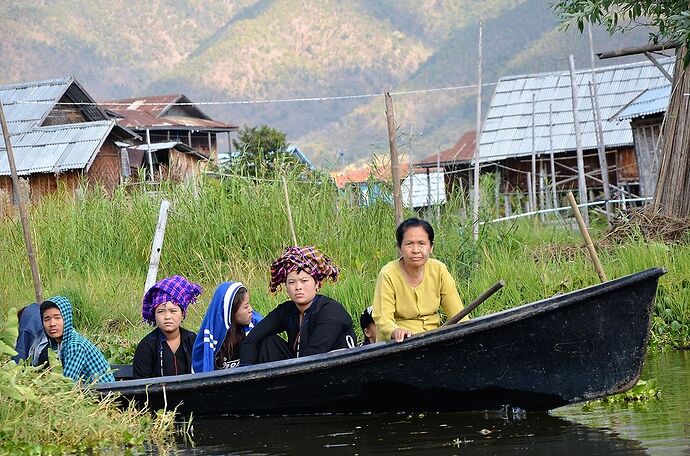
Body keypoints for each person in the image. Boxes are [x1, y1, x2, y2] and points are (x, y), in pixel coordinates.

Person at [239, 246, 356, 365]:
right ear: (286, 287)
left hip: (332, 370)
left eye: (304, 281)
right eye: (291, 282)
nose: (298, 287)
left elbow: (313, 356)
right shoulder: (287, 311)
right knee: (268, 342)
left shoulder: (331, 311)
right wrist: (245, 373)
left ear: (316, 284)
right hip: (302, 369)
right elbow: (251, 340)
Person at [372, 218, 465, 343]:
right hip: (399, 344)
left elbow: (458, 314)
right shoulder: (388, 274)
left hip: (433, 339)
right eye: (409, 244)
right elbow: (383, 320)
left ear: (431, 247)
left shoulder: (439, 269)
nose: (415, 250)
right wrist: (396, 331)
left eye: (421, 243)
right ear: (400, 248)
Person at [133, 275, 201, 379]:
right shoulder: (146, 346)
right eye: (161, 312)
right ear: (154, 315)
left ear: (183, 314)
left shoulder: (192, 340)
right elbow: (141, 386)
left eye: (173, 311)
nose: (167, 317)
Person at [40, 296, 114, 383]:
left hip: (103, 392)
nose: (52, 324)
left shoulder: (75, 346)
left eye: (57, 318)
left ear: (67, 319)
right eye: (47, 319)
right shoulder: (58, 343)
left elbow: (67, 383)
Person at [192, 281, 263, 372]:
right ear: (231, 311)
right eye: (246, 307)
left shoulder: (255, 328)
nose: (251, 310)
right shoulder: (209, 342)